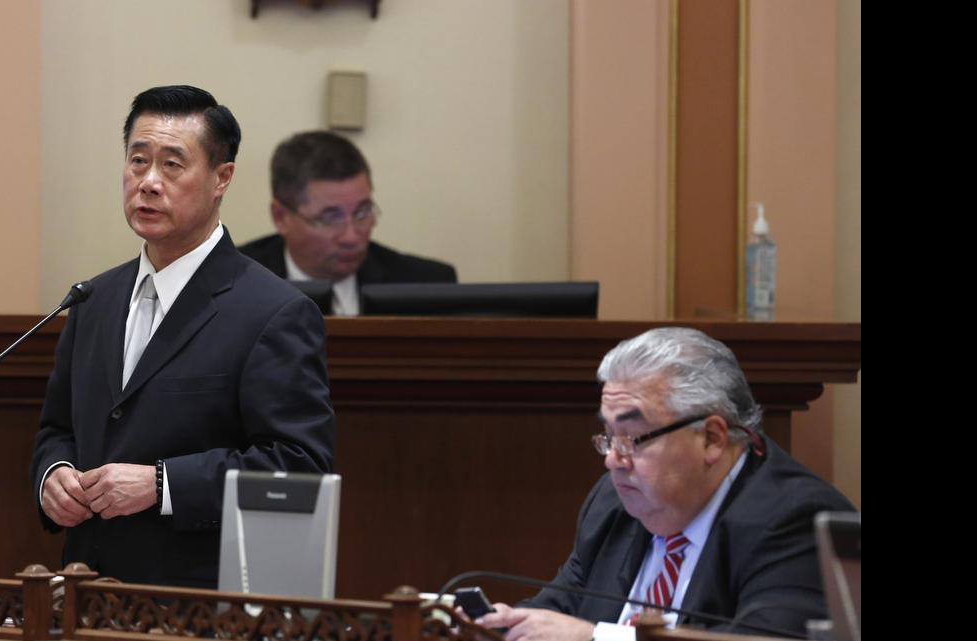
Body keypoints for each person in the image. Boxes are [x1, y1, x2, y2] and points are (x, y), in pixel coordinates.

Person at [29, 85, 335, 588]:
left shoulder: (274, 312)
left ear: (221, 178)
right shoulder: (92, 300)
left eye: (172, 165)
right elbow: (57, 429)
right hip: (85, 589)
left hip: (196, 599)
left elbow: (299, 467)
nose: (148, 182)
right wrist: (53, 475)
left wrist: (162, 484)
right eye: (138, 161)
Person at [475, 327, 855, 640]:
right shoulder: (613, 502)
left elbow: (767, 639)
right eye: (609, 436)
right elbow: (559, 610)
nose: (613, 459)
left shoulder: (795, 520)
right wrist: (499, 626)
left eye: (633, 438)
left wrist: (595, 638)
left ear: (712, 439)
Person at [237, 130, 456, 315]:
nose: (351, 237)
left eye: (362, 213)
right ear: (280, 217)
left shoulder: (426, 286)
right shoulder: (229, 283)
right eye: (330, 218)